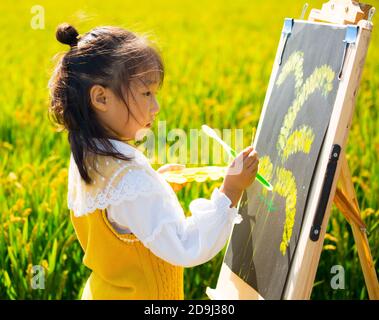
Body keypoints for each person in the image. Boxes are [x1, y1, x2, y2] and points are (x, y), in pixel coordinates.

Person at [48, 22, 259, 299]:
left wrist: (156, 183)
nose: (156, 107)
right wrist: (230, 192)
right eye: (147, 93)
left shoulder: (87, 156)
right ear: (101, 98)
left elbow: (121, 212)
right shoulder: (132, 181)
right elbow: (186, 246)